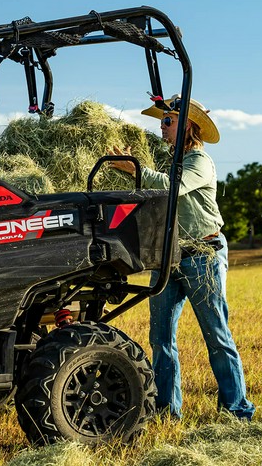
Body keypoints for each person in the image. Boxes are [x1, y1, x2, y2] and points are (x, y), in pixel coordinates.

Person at [109, 94, 254, 421]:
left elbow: (172, 188)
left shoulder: (199, 162)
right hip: (167, 258)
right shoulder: (165, 162)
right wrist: (125, 168)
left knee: (216, 335)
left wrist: (135, 168)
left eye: (168, 121)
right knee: (160, 339)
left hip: (203, 254)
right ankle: (166, 412)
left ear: (187, 124)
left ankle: (237, 411)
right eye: (161, 120)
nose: (161, 126)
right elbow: (151, 185)